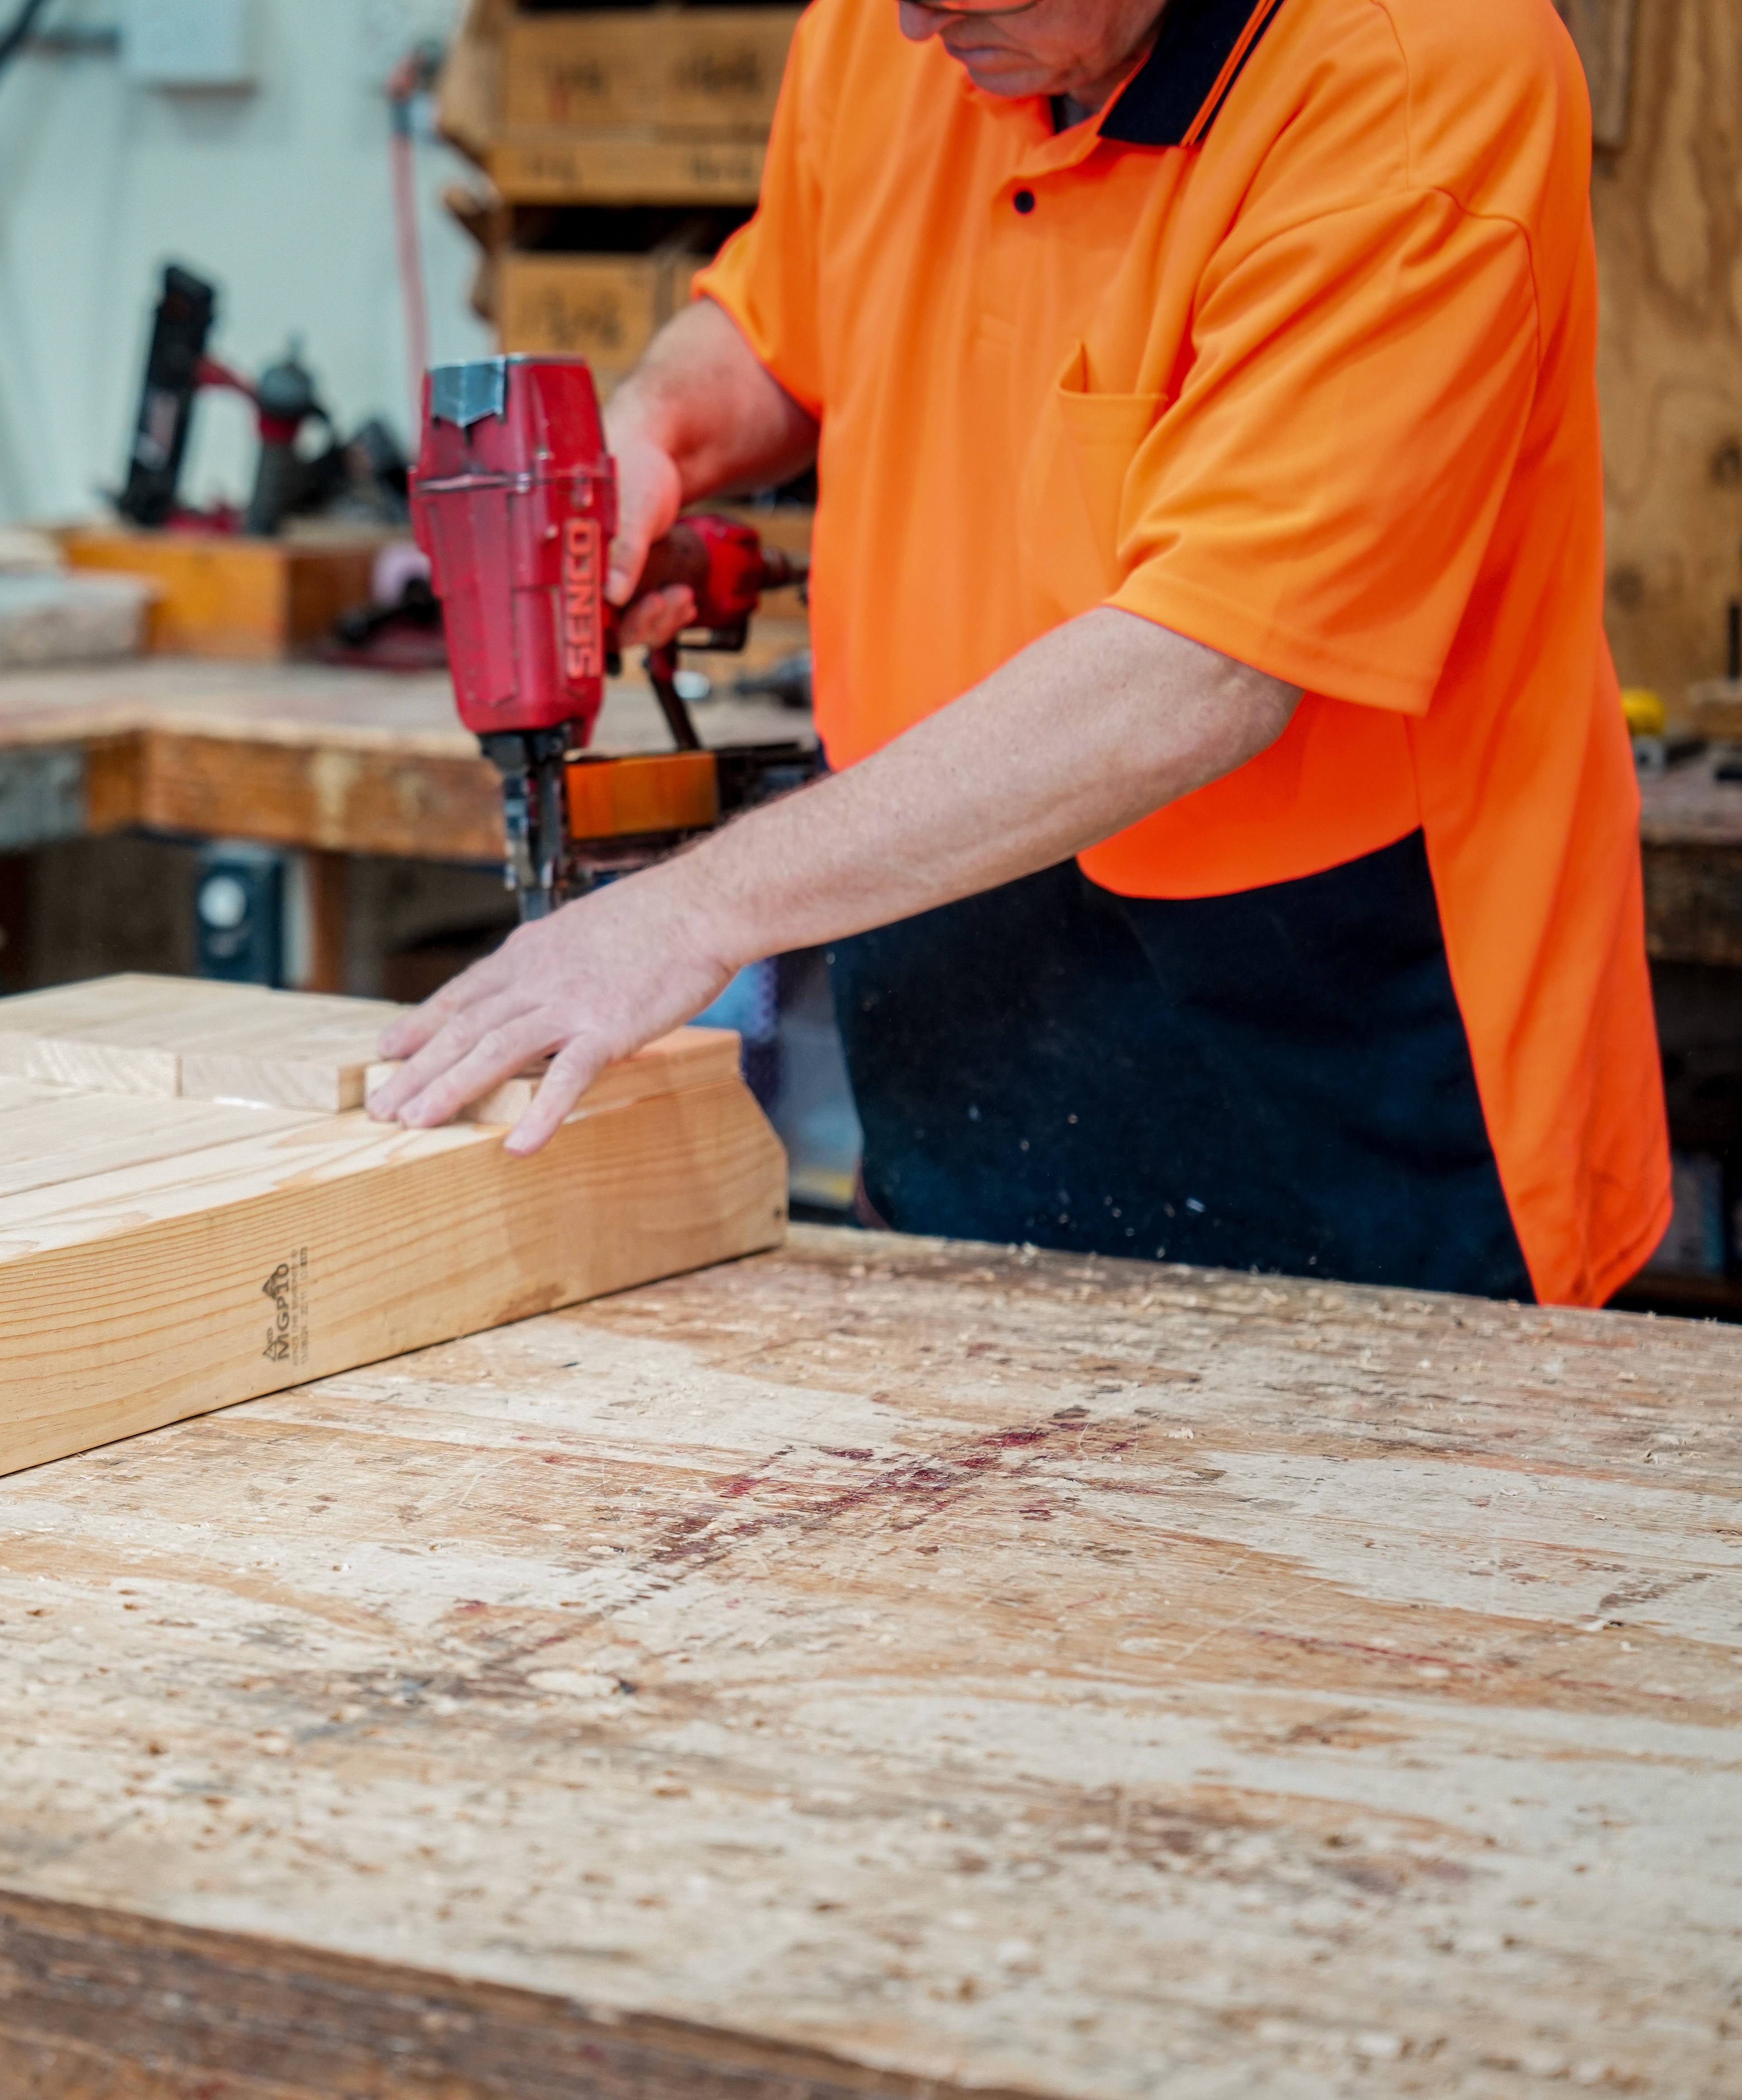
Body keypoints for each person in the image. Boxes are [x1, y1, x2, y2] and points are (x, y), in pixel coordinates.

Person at [368, 0, 1672, 1306]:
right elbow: (790, 322)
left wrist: (692, 911)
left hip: (1342, 1031)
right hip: (954, 967)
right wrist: (658, 427)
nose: (912, 27)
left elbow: (1206, 670)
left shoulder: (1421, 75)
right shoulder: (892, 29)